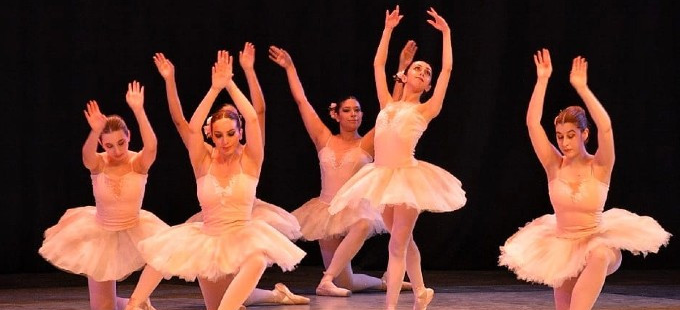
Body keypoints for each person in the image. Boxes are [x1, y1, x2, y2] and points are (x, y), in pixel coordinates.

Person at [125, 51, 305, 310]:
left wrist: (230, 83)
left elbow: (255, 116)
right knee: (163, 256)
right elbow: (189, 126)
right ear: (211, 136)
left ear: (239, 132)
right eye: (218, 135)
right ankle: (135, 303)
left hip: (242, 237)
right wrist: (213, 88)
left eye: (231, 133)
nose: (225, 140)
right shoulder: (203, 162)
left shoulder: (251, 159)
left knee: (256, 261)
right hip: (209, 242)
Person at [498, 49, 671, 310]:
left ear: (584, 134)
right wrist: (542, 80)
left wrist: (583, 88)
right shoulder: (553, 165)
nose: (565, 142)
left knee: (598, 254)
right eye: (559, 136)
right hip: (562, 246)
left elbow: (607, 127)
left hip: (598, 241)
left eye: (570, 135)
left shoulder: (601, 165)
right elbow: (533, 123)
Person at [329, 6, 467, 310]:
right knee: (404, 240)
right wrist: (388, 29)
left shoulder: (425, 109)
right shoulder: (386, 103)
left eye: (426, 72)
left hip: (407, 178)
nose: (422, 72)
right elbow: (378, 65)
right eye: (417, 68)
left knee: (396, 245)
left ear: (428, 86)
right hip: (383, 175)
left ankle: (390, 307)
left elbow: (447, 71)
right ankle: (420, 292)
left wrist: (446, 34)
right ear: (404, 75)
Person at [268, 39, 416, 297]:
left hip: (356, 208)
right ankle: (383, 281)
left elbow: (391, 109)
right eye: (347, 110)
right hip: (326, 211)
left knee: (363, 223)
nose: (353, 114)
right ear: (335, 114)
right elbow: (302, 102)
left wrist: (402, 68)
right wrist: (290, 68)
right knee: (346, 281)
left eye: (357, 110)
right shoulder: (323, 138)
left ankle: (325, 280)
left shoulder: (368, 142)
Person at [39, 81, 166, 310]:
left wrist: (139, 110)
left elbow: (152, 147)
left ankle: (136, 301)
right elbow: (86, 155)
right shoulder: (98, 163)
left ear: (129, 137)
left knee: (167, 250)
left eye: (121, 142)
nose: (116, 151)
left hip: (134, 228)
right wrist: (95, 129)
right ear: (102, 144)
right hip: (101, 233)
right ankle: (128, 302)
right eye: (109, 146)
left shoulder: (138, 163)